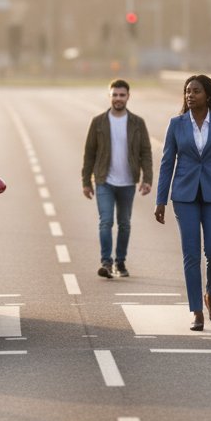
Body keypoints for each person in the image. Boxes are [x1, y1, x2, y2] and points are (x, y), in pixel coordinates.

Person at [154, 74, 211, 331]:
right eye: (187, 91)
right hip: (185, 196)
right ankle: (196, 310)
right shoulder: (176, 124)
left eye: (196, 91)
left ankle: (210, 295)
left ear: (208, 95)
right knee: (191, 254)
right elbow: (167, 163)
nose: (190, 95)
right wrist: (161, 200)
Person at [81, 79, 154, 279]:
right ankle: (106, 262)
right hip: (104, 180)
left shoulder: (137, 123)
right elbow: (89, 153)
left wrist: (147, 179)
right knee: (105, 221)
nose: (118, 98)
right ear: (109, 96)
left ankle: (120, 262)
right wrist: (86, 182)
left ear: (128, 96)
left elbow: (146, 152)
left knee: (124, 223)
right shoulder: (98, 122)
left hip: (128, 182)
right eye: (115, 95)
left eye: (122, 95)